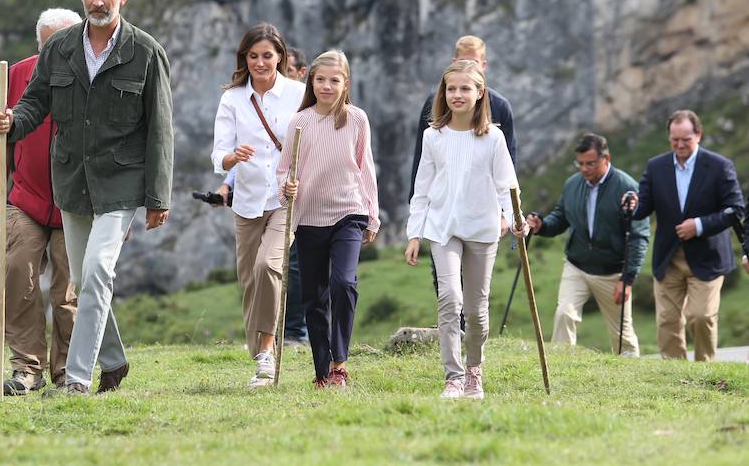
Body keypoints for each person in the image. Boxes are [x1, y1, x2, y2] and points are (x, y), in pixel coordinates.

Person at [0, 0, 174, 394]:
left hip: (121, 185)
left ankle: (75, 380)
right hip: (70, 183)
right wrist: (11, 121)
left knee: (94, 272)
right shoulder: (59, 48)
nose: (98, 0)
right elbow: (35, 104)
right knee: (84, 278)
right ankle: (113, 360)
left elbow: (161, 129)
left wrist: (158, 197)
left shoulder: (146, 51)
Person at [405, 59, 524, 400]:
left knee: (476, 310)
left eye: (465, 88)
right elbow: (422, 189)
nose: (457, 95)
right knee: (449, 299)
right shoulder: (433, 136)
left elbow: (507, 185)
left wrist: (514, 218)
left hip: (483, 229)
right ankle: (453, 377)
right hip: (443, 228)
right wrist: (415, 233)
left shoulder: (493, 137)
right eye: (451, 89)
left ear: (479, 93)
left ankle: (475, 372)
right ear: (444, 93)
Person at [211, 23, 305, 387]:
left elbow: (311, 140)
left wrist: (302, 176)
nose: (261, 63)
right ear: (244, 58)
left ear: (280, 56)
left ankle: (266, 352)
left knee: (269, 266)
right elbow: (218, 154)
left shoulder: (298, 94)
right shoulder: (232, 99)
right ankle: (262, 352)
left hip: (286, 198)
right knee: (250, 280)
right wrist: (233, 158)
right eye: (253, 56)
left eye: (267, 55)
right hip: (247, 201)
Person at [278, 50, 379, 388]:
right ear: (311, 81)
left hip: (349, 212)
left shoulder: (357, 119)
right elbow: (284, 171)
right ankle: (322, 372)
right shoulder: (300, 122)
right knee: (314, 297)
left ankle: (340, 363)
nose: (326, 86)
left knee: (344, 283)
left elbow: (366, 168)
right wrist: (286, 186)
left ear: (345, 83)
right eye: (320, 80)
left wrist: (372, 216)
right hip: (308, 218)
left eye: (334, 80)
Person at [0, 8, 81, 395]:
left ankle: (67, 371)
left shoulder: (90, 76)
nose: (57, 51)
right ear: (39, 44)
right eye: (50, 44)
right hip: (26, 197)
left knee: (68, 290)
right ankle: (26, 370)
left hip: (75, 201)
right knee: (19, 273)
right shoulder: (18, 74)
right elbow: (4, 141)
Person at [623, 110, 743, 361]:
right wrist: (633, 205)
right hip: (668, 257)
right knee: (667, 321)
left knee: (700, 317)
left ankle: (704, 369)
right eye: (674, 140)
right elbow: (643, 207)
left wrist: (699, 225)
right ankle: (675, 376)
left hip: (708, 257)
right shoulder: (656, 166)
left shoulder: (720, 166)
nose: (679, 145)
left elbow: (735, 210)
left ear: (698, 135)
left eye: (685, 139)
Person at [526, 134, 649, 356]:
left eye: (590, 163)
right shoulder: (573, 184)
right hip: (577, 266)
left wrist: (627, 279)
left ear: (606, 158)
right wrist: (541, 226)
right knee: (564, 314)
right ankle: (560, 367)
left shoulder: (627, 187)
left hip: (612, 272)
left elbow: (639, 237)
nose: (584, 169)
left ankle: (630, 373)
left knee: (622, 333)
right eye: (580, 163)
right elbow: (560, 217)